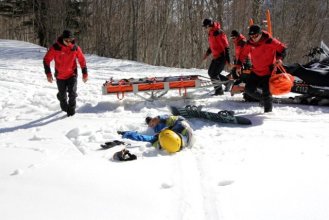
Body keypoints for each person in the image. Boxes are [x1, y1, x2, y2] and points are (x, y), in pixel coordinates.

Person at [237, 24, 287, 112]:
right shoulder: (249, 43)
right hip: (256, 71)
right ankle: (263, 99)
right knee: (248, 90)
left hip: (268, 72)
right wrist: (238, 66)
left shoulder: (270, 41)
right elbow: (243, 55)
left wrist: (280, 59)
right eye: (251, 36)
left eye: (255, 35)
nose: (253, 38)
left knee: (267, 94)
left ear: (260, 34)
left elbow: (282, 49)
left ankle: (268, 114)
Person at [43, 30, 88, 117]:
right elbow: (46, 60)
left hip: (72, 75)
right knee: (63, 102)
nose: (68, 42)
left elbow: (82, 60)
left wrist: (85, 73)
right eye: (66, 40)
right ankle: (61, 96)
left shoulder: (75, 48)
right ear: (62, 39)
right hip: (60, 76)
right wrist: (48, 74)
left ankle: (71, 114)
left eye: (70, 40)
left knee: (72, 94)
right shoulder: (56, 48)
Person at [117, 115, 194, 153]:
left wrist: (126, 134)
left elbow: (143, 138)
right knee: (155, 136)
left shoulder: (161, 125)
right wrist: (160, 118)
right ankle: (153, 123)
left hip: (174, 130)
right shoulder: (157, 133)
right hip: (172, 133)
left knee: (168, 124)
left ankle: (153, 124)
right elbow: (143, 137)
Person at [202, 18, 231, 95]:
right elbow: (212, 45)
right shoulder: (211, 33)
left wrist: (228, 61)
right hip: (216, 56)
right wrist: (207, 54)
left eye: (205, 27)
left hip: (222, 56)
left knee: (214, 74)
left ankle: (219, 91)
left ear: (209, 26)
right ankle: (227, 82)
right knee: (211, 72)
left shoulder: (219, 33)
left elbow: (226, 47)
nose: (205, 29)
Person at [229, 30, 251, 94]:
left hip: (245, 61)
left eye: (233, 38)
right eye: (232, 38)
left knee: (242, 74)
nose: (232, 39)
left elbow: (245, 54)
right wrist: (235, 62)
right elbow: (238, 54)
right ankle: (238, 87)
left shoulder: (243, 42)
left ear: (237, 36)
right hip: (239, 61)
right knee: (234, 73)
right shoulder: (237, 42)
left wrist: (241, 64)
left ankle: (242, 87)